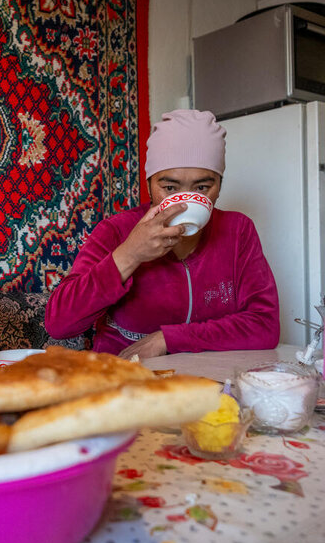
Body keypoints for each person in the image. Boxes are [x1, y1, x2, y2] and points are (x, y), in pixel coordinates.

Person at [44, 109, 279, 359]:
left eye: (202, 187)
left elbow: (265, 325)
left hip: (206, 380)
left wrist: (169, 338)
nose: (185, 203)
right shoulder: (115, 231)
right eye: (169, 187)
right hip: (122, 379)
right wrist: (129, 255)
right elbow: (59, 324)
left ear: (220, 185)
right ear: (148, 185)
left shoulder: (238, 231)